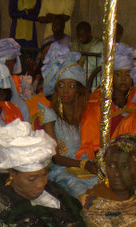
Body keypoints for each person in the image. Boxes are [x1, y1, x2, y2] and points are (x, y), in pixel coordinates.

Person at [36, 45, 96, 198]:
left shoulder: (86, 113)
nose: (65, 91)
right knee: (82, 193)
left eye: (71, 86)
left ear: (79, 90)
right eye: (61, 86)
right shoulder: (49, 113)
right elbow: (55, 157)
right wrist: (83, 164)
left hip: (88, 168)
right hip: (63, 171)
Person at [77, 43, 136, 162]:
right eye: (118, 74)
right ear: (110, 76)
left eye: (127, 74)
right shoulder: (97, 100)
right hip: (104, 156)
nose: (123, 79)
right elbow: (91, 140)